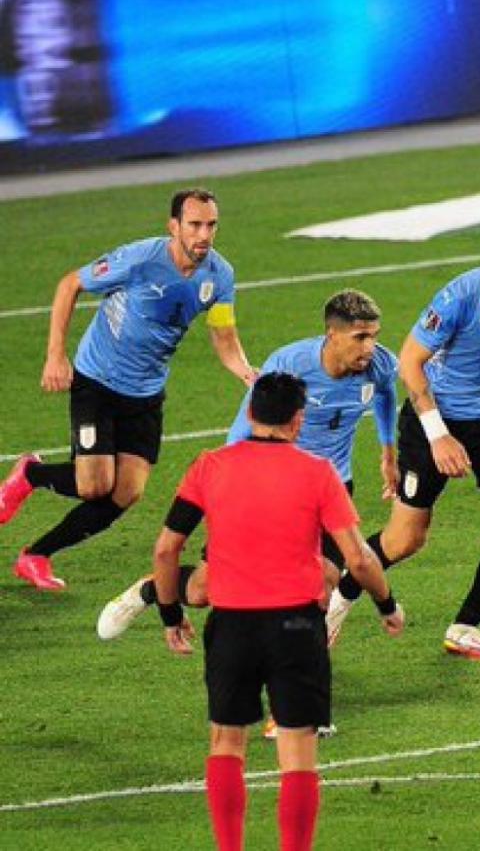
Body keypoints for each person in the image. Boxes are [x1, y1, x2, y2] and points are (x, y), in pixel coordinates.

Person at [150, 373, 403, 851]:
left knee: (226, 744)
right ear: (298, 421)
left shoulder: (209, 466)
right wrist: (386, 603)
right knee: (298, 755)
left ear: (250, 415)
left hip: (232, 626)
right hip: (296, 626)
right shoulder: (318, 472)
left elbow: (166, 550)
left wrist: (168, 612)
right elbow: (359, 558)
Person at [325, 206, 480, 660]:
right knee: (407, 538)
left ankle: (464, 628)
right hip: (435, 417)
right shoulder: (461, 296)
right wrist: (439, 435)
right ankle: (338, 602)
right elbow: (409, 361)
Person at [97, 289, 399, 643]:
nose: (369, 347)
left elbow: (386, 394)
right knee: (201, 592)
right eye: (360, 337)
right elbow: (245, 428)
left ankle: (297, 667)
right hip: (266, 487)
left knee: (322, 585)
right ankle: (150, 589)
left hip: (328, 487)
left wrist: (387, 452)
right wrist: (235, 486)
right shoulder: (288, 366)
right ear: (332, 334)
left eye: (374, 337)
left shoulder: (380, 365)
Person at [3, 189, 255, 591]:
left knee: (125, 492)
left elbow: (223, 334)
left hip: (146, 392)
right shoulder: (140, 260)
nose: (203, 234)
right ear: (173, 227)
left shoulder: (220, 276)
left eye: (211, 225)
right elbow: (70, 284)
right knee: (93, 485)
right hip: (97, 380)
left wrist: (245, 372)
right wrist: (55, 355)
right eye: (194, 224)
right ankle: (30, 474)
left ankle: (36, 555)